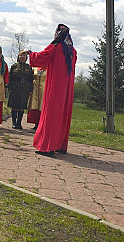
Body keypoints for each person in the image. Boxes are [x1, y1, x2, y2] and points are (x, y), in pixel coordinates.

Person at [27, 24, 77, 157]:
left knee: (51, 115)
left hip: (55, 87)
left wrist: (30, 53)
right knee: (62, 115)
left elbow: (39, 58)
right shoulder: (72, 51)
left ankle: (47, 147)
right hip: (67, 89)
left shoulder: (55, 47)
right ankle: (60, 145)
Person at [8, 51, 33, 129]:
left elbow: (31, 80)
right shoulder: (14, 66)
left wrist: (30, 90)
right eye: (21, 56)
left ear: (26, 58)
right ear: (18, 57)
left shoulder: (29, 67)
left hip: (25, 88)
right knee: (15, 105)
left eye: (24, 56)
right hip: (15, 88)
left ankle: (19, 123)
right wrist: (9, 88)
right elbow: (10, 78)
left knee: (22, 106)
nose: (22, 57)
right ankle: (14, 123)